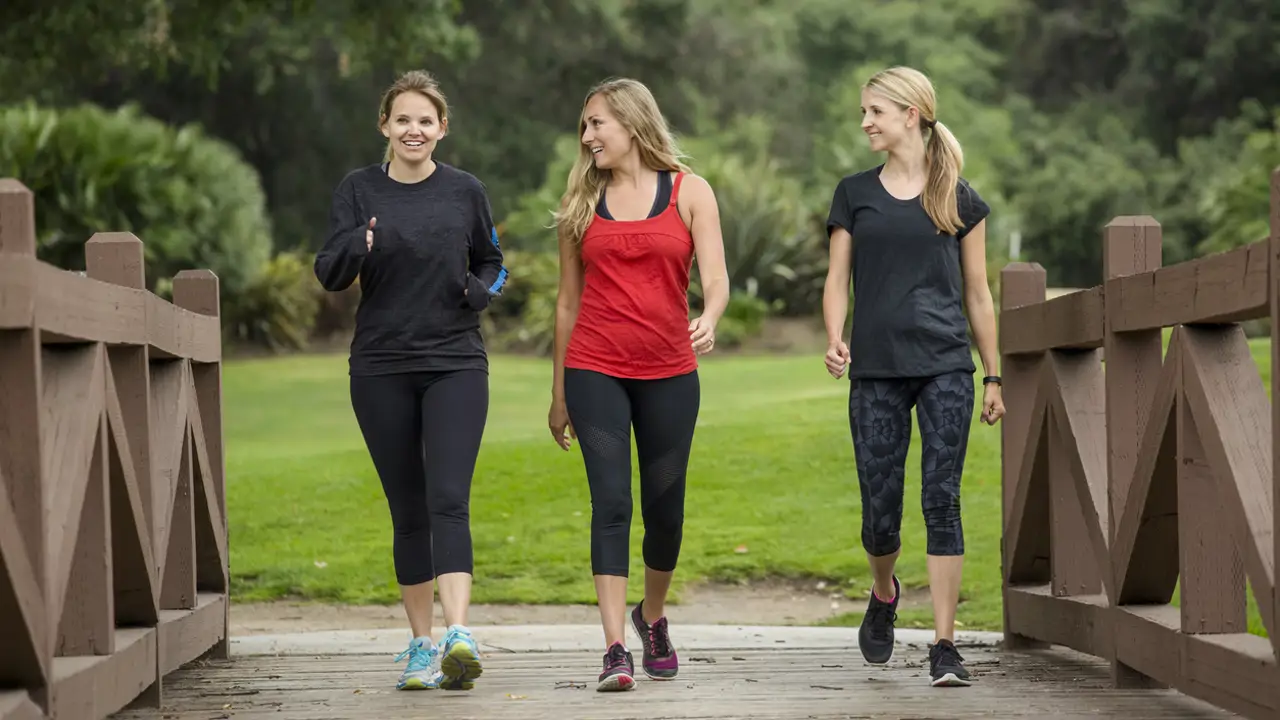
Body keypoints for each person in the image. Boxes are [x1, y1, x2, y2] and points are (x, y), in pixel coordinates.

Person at [313, 69, 508, 692]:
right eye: (403, 119)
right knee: (408, 510)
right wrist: (359, 245)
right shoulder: (358, 190)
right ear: (385, 127)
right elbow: (328, 271)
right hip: (380, 367)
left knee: (449, 497)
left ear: (442, 129)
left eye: (426, 120)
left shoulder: (465, 191)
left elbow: (494, 262)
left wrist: (478, 293)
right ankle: (421, 647)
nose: (414, 129)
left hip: (455, 361)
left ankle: (458, 635)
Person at [821, 66, 1004, 688]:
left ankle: (945, 645)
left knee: (941, 499)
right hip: (874, 370)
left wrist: (993, 375)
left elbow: (979, 294)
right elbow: (836, 279)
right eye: (864, 111)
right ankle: (885, 590)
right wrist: (835, 337)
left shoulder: (960, 198)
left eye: (875, 110)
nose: (865, 121)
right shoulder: (853, 193)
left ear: (911, 115)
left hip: (946, 367)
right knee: (880, 512)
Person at [547, 77, 730, 692]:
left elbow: (717, 276)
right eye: (585, 125)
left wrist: (709, 316)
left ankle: (651, 617)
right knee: (612, 503)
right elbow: (566, 303)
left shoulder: (689, 191)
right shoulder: (580, 199)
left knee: (665, 510)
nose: (588, 135)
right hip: (595, 367)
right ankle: (615, 650)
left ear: (631, 123)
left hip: (670, 373)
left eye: (597, 123)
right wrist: (558, 394)